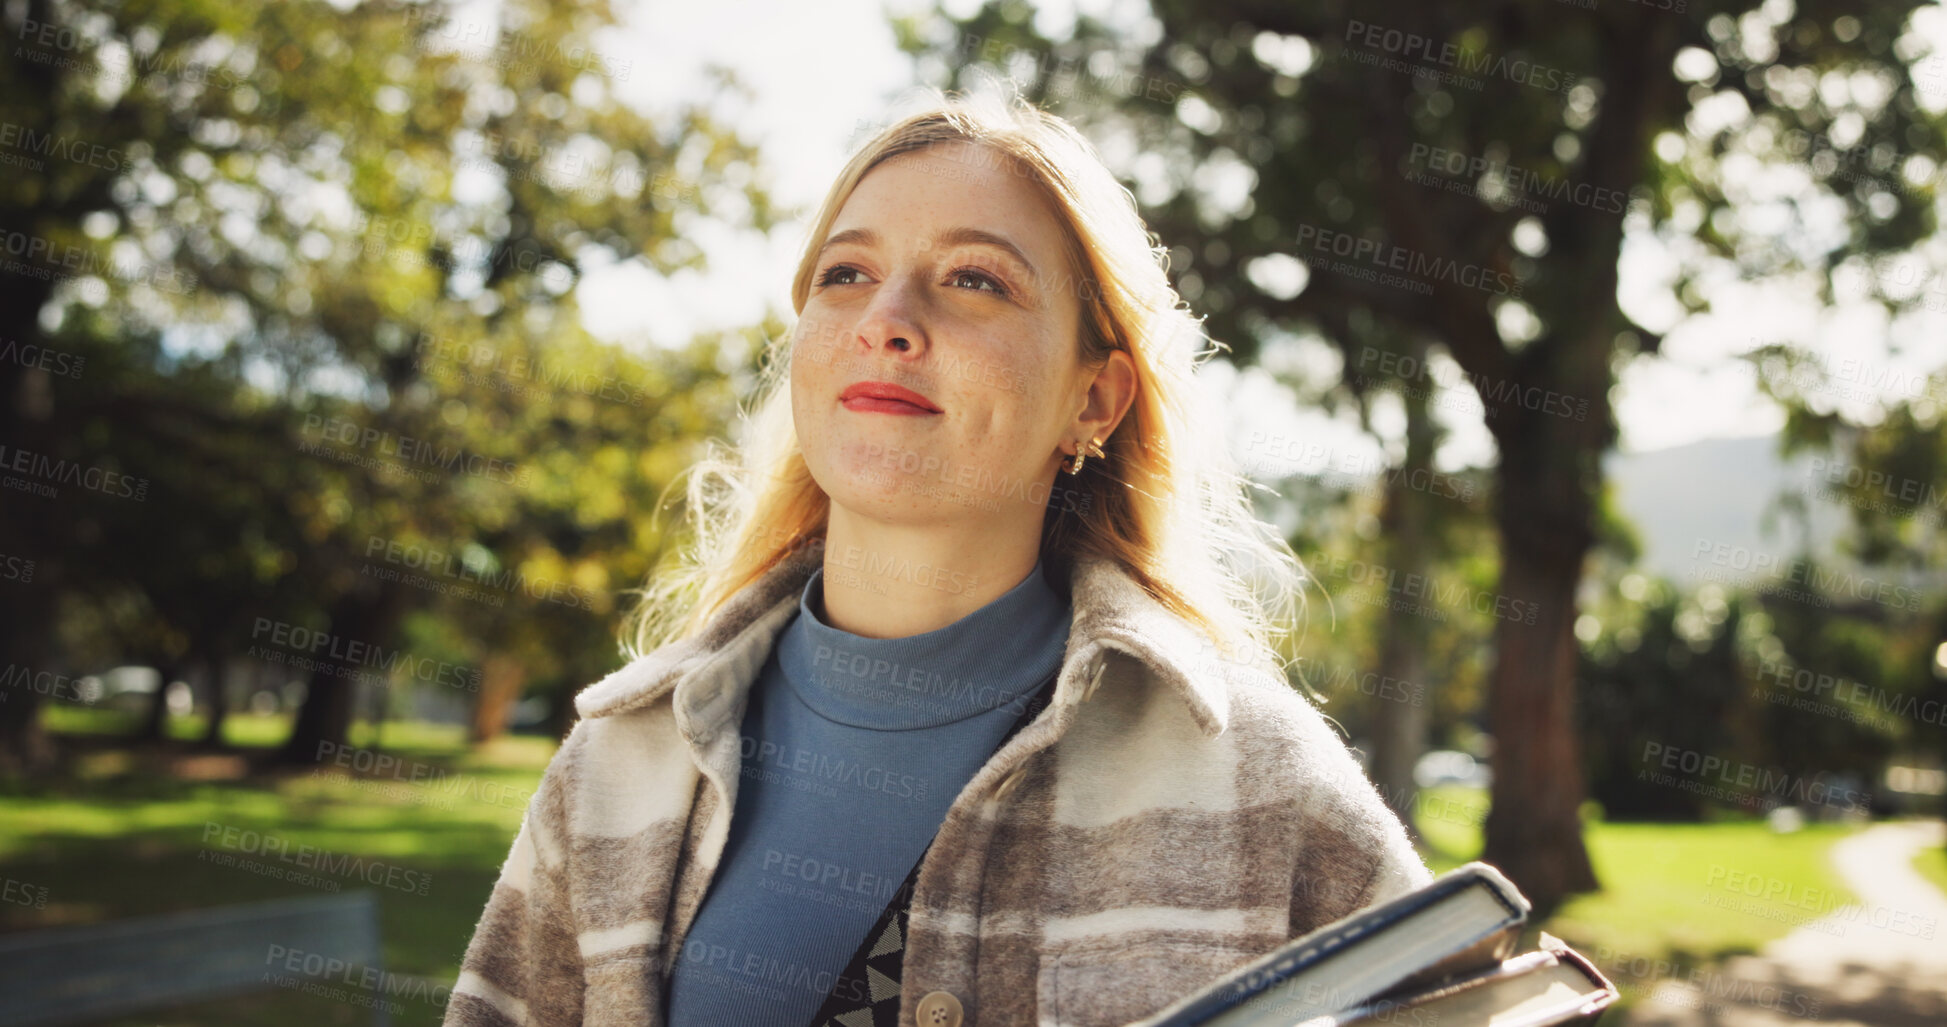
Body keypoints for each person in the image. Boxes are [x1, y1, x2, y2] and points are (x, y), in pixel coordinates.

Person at [444, 88, 1431, 1027]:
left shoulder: (1261, 783)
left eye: (975, 280)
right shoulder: (618, 765)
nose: (886, 320)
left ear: (1095, 400)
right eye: (846, 275)